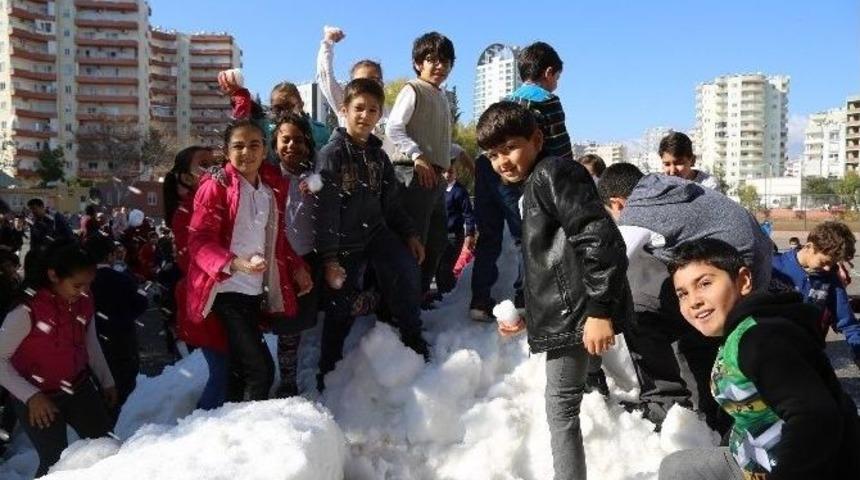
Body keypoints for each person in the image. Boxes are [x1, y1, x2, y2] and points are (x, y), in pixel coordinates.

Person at [479, 101, 629, 480]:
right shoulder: (534, 184)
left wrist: (599, 310)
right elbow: (558, 268)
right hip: (576, 312)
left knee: (560, 408)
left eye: (510, 147)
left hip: (583, 316)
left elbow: (600, 239)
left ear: (537, 139)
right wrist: (533, 316)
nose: (502, 161)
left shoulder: (553, 174)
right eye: (493, 154)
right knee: (565, 405)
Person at [659, 238, 860, 480]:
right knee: (678, 467)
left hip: (795, 469)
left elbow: (816, 418)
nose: (694, 301)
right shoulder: (738, 332)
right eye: (682, 293)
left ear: (743, 281)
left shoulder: (762, 339)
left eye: (705, 283)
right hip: (751, 460)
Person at [598, 162, 773, 432]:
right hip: (754, 275)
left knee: (639, 310)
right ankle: (716, 414)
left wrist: (597, 315)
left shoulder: (636, 210)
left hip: (729, 275)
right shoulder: (669, 189)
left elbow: (611, 267)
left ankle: (665, 404)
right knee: (686, 322)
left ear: (617, 204)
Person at [186, 119, 312, 403]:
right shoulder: (216, 186)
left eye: (254, 145)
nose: (247, 152)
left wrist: (297, 267)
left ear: (265, 149)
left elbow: (276, 241)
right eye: (238, 146)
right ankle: (248, 431)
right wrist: (234, 264)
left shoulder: (269, 189)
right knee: (261, 370)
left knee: (239, 370)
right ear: (226, 151)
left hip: (254, 291)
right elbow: (199, 239)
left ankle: (229, 431)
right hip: (225, 290)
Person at [315, 78, 429, 390]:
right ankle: (328, 371)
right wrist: (329, 258)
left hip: (376, 233)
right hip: (343, 241)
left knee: (406, 269)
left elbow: (391, 204)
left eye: (372, 109)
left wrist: (410, 235)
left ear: (380, 115)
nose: (365, 115)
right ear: (344, 110)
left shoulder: (379, 157)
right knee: (340, 304)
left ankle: (412, 337)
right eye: (359, 108)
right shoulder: (331, 154)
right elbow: (325, 212)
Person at [0, 243, 116, 477]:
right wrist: (31, 396)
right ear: (53, 275)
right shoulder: (26, 310)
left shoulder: (84, 301)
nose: (84, 291)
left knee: (107, 448)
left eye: (88, 285)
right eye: (77, 285)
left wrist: (107, 380)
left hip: (79, 387)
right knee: (55, 463)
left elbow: (90, 342)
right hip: (36, 397)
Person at [386, 31, 455, 306]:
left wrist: (453, 160)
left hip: (435, 178)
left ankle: (419, 295)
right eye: (432, 59)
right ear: (418, 63)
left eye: (445, 61)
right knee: (414, 242)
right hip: (413, 174)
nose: (439, 65)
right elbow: (393, 128)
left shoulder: (441, 96)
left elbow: (437, 138)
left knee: (437, 240)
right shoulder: (412, 89)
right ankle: (403, 305)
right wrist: (417, 156)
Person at [269, 112, 325, 397]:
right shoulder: (267, 177)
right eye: (285, 139)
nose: (292, 146)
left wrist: (318, 183)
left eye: (299, 140)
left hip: (311, 257)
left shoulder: (315, 177)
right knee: (287, 325)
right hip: (280, 261)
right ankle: (287, 381)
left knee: (305, 319)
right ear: (275, 142)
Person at [771, 221, 860, 367]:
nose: (827, 268)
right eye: (824, 262)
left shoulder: (830, 279)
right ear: (809, 247)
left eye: (833, 264)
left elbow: (848, 323)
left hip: (808, 357)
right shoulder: (773, 267)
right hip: (769, 356)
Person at [84, 234, 148, 424]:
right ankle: (114, 423)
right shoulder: (121, 279)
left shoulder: (82, 283)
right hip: (122, 340)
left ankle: (102, 421)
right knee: (123, 385)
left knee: (99, 385)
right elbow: (140, 302)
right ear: (110, 255)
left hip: (91, 342)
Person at [435, 164, 475, 295]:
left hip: (453, 235)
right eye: (445, 172)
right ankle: (442, 294)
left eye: (450, 172)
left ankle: (448, 295)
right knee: (437, 268)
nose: (447, 175)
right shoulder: (439, 189)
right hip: (439, 234)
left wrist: (470, 234)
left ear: (456, 174)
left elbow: (468, 213)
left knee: (445, 268)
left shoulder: (459, 191)